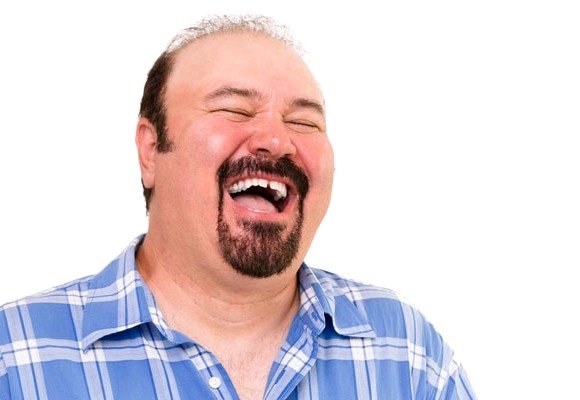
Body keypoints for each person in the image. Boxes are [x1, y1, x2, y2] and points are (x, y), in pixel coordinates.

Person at [0, 15, 476, 400]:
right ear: (151, 150)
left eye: (304, 121)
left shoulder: (407, 356)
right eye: (234, 110)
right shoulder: (15, 358)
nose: (277, 140)